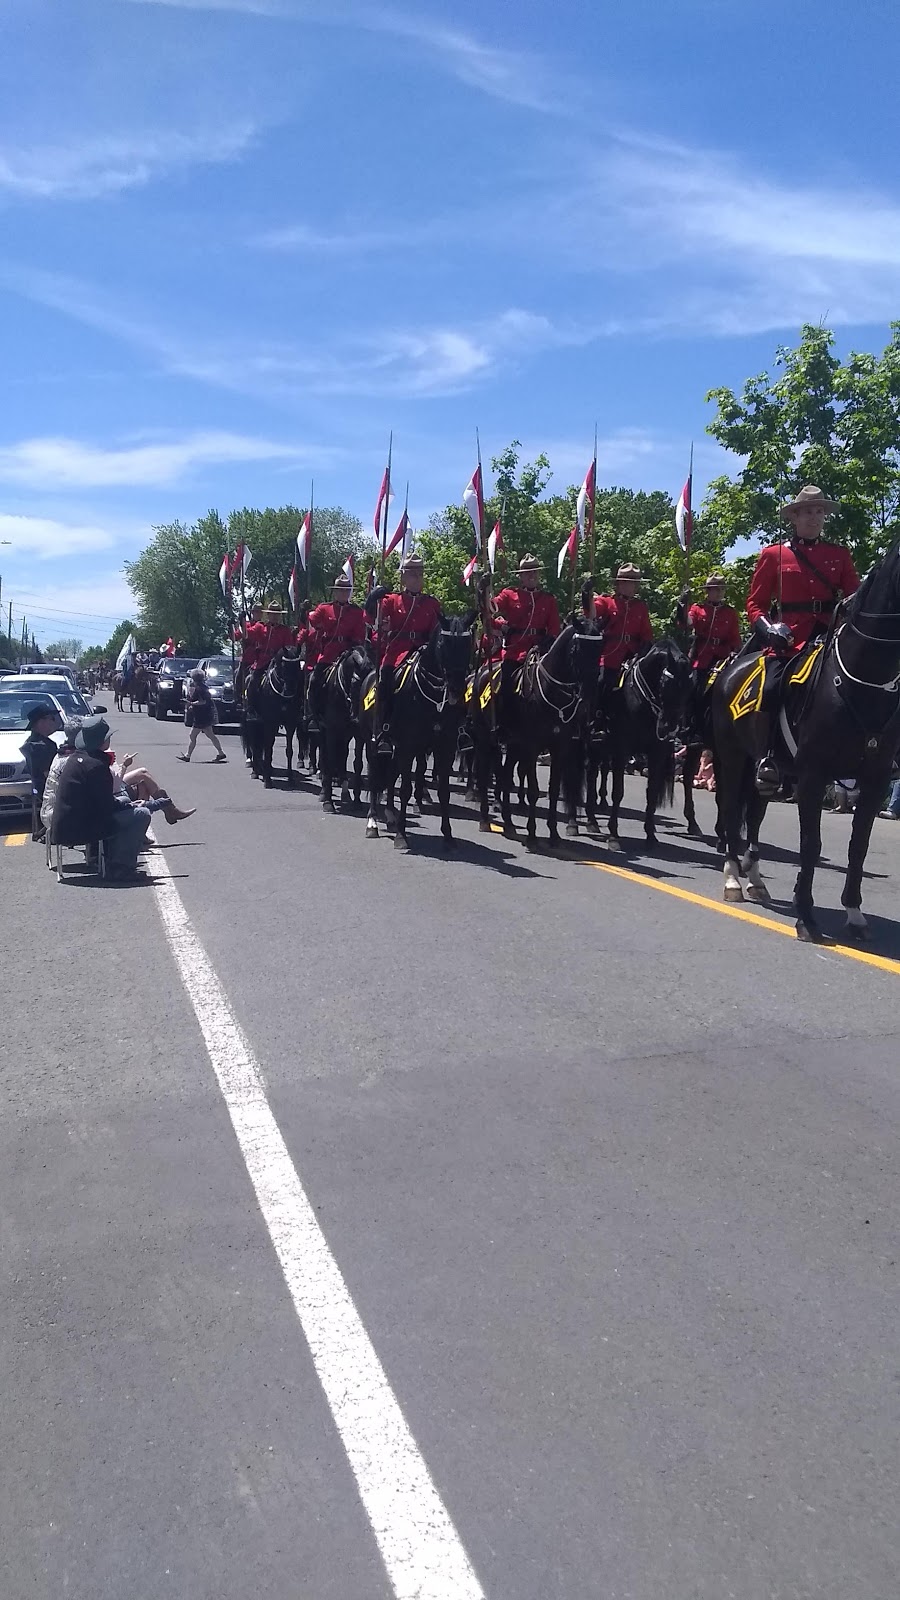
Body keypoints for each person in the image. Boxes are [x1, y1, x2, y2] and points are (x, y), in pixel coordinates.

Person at [746, 485, 859, 789]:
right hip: (788, 638)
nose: (815, 517)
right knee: (770, 688)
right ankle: (766, 756)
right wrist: (768, 628)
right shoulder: (773, 554)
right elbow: (755, 603)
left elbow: (855, 597)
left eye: (820, 511)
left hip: (828, 633)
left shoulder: (838, 554)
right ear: (794, 516)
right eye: (808, 511)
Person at [50, 715, 151, 881]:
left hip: (68, 822)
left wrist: (127, 804)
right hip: (80, 828)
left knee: (126, 802)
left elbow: (100, 801)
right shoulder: (95, 766)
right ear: (102, 741)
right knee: (142, 814)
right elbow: (106, 807)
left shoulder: (78, 758)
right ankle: (121, 866)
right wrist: (132, 807)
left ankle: (111, 858)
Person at [366, 552, 444, 751]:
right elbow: (374, 621)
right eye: (412, 573)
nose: (417, 577)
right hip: (397, 651)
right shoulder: (391, 601)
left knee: (445, 683)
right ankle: (384, 726)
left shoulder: (432, 603)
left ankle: (449, 728)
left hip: (423, 651)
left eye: (419, 573)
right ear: (403, 578)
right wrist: (373, 600)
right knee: (385, 684)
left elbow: (436, 633)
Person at [489, 554, 561, 714]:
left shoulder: (548, 599)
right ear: (520, 576)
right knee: (505, 687)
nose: (532, 576)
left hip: (540, 652)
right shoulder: (510, 594)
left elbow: (555, 629)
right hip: (515, 652)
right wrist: (484, 592)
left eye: (535, 572)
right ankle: (504, 725)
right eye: (528, 573)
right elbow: (492, 608)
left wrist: (548, 644)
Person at [306, 573, 367, 732]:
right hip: (329, 653)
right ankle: (314, 715)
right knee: (314, 680)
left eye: (346, 590)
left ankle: (357, 712)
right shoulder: (325, 608)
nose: (343, 593)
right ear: (335, 592)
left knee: (362, 677)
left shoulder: (356, 612)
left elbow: (360, 634)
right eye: (340, 590)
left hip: (348, 652)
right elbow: (313, 620)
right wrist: (308, 613)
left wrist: (353, 645)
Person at [586, 563, 654, 680]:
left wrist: (644, 653)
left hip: (634, 656)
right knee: (601, 683)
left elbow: (646, 634)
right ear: (620, 584)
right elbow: (591, 614)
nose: (635, 587)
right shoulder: (607, 602)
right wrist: (587, 595)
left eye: (636, 583)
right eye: (631, 583)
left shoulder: (640, 607)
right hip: (610, 656)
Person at [20, 699, 63, 842]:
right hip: (50, 789)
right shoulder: (42, 746)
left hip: (38, 788)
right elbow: (51, 776)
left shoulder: (33, 742)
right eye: (52, 718)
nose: (55, 721)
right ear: (41, 722)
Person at [178, 668, 227, 762]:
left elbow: (202, 702)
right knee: (211, 735)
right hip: (205, 714)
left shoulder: (200, 689)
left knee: (192, 735)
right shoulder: (203, 687)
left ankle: (187, 756)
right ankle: (221, 753)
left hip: (202, 716)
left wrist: (191, 703)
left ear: (194, 678)